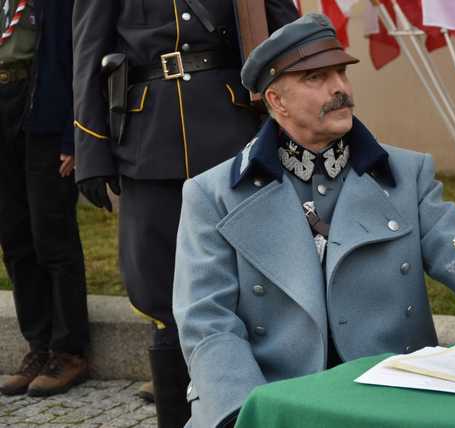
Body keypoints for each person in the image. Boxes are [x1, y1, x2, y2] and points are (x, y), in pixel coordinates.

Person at [172, 13, 455, 428]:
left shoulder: (405, 175)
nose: (339, 89)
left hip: (395, 397)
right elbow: (207, 322)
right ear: (276, 100)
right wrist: (246, 413)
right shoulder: (213, 195)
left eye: (341, 73)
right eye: (316, 78)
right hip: (279, 398)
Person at [71, 1, 298, 426]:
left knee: (255, 280)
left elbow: (286, 33)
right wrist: (91, 149)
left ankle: (255, 410)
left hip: (232, 130)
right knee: (159, 288)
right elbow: (87, 53)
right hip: (148, 140)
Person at [0, 0, 90, 397]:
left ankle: (69, 351)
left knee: (51, 234)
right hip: (3, 104)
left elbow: (80, 56)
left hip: (45, 115)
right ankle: (38, 345)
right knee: (14, 238)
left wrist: (75, 133)